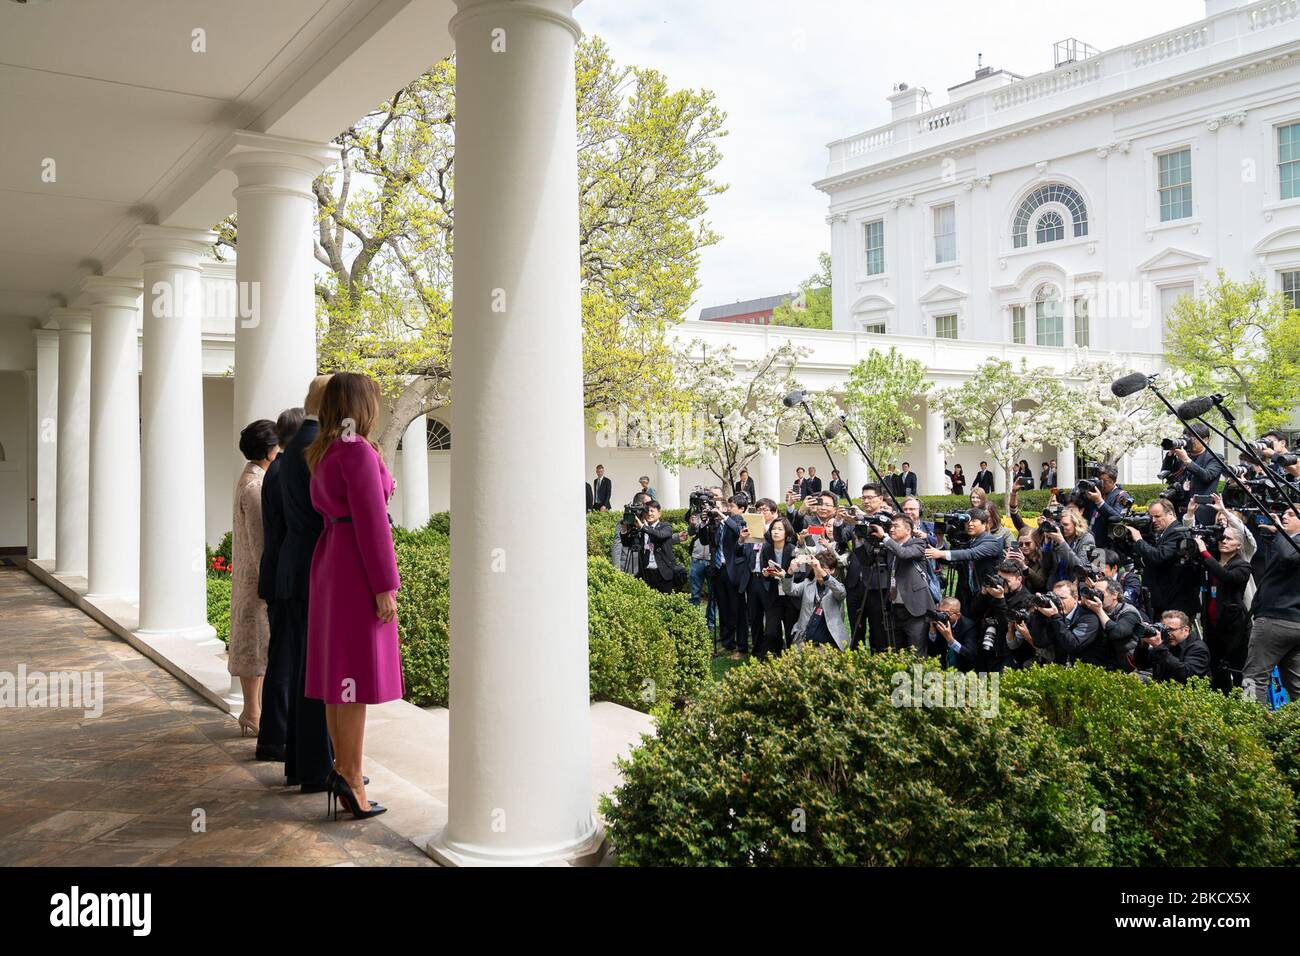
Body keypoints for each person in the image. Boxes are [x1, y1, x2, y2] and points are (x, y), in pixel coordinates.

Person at [305, 372, 402, 821]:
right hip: (355, 567)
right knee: (356, 680)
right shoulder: (357, 452)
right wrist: (385, 586)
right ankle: (353, 778)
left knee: (337, 679)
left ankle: (343, 768)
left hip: (330, 562)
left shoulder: (324, 450)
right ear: (360, 405)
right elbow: (373, 523)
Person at [275, 375, 335, 794]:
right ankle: (317, 768)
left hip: (292, 566)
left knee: (302, 670)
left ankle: (300, 763)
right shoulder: (318, 445)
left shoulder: (296, 442)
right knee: (318, 672)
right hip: (316, 566)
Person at [257, 406, 305, 763]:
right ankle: (277, 738)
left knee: (281, 658)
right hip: (286, 576)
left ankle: (276, 737)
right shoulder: (285, 470)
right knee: (285, 659)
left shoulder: (275, 469)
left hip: (277, 573)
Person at [229, 419, 280, 742]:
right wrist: (271, 581)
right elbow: (261, 539)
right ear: (269, 450)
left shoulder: (251, 477)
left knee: (257, 642)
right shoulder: (255, 486)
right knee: (256, 644)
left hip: (249, 573)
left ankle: (253, 710)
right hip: (256, 577)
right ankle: (252, 711)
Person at [1242, 506, 1300, 705]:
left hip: (1276, 620)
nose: (1284, 516)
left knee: (1252, 677)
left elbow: (1288, 557)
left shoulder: (1294, 542)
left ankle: (1248, 723)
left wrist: (1280, 531)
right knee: (1296, 684)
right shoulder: (1288, 541)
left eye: (1292, 514)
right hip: (1293, 623)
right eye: (1284, 513)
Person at [1193, 524, 1252, 693]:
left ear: (1239, 545)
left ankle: (1250, 704)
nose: (1223, 541)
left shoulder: (1242, 566)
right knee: (1216, 668)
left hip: (1234, 627)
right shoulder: (1211, 562)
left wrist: (1205, 553)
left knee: (1241, 669)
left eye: (1229, 539)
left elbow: (1226, 577)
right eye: (1222, 538)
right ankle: (1221, 703)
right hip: (1212, 625)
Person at [872, 514, 935, 657]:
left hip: (915, 609)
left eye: (896, 526)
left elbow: (904, 554)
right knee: (897, 652)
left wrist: (885, 538)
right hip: (895, 608)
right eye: (891, 526)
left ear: (908, 530)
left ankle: (918, 679)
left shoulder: (918, 544)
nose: (891, 530)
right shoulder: (890, 547)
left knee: (916, 653)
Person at [1125, 498, 1199, 619]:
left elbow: (1158, 556)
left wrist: (1138, 539)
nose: (1153, 521)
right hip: (1165, 600)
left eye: (1158, 516)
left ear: (1170, 514)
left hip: (1175, 604)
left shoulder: (1177, 532)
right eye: (1152, 517)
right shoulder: (1165, 532)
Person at [925, 507, 1005, 615]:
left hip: (987, 594)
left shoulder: (991, 542)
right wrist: (939, 539)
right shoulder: (970, 542)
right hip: (968, 595)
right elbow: (952, 560)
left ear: (985, 524)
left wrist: (941, 554)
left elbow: (971, 553)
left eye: (974, 521)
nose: (970, 524)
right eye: (967, 521)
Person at [777, 550, 849, 650]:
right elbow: (790, 590)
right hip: (804, 642)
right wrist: (790, 572)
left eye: (824, 568)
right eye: (816, 568)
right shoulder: (808, 584)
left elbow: (841, 593)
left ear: (832, 570)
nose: (818, 571)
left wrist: (822, 572)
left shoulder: (836, 587)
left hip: (828, 645)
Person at [1030, 579, 1105, 668]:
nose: (1058, 602)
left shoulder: (1089, 618)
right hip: (1060, 669)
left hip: (1087, 671)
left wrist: (1055, 618)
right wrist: (1038, 615)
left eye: (1062, 598)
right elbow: (1040, 642)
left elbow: (1073, 645)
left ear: (1075, 598)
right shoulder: (1054, 616)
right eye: (1055, 599)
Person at [1079, 578, 1145, 671]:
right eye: (1094, 592)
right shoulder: (1095, 608)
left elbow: (1117, 633)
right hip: (1104, 663)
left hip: (1129, 667)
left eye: (1100, 593)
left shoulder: (1129, 612)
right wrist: (1082, 605)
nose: (1096, 596)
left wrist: (1099, 611)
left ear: (1114, 595)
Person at [756, 516, 799, 658]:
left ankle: (792, 660)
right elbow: (764, 571)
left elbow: (800, 576)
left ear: (787, 533)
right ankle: (773, 657)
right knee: (771, 631)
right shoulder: (767, 549)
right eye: (774, 529)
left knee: (790, 631)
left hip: (790, 596)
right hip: (773, 595)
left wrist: (785, 575)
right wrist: (766, 574)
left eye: (780, 529)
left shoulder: (794, 550)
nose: (776, 532)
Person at [1166, 423, 1224, 524]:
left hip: (1200, 514)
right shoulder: (1182, 458)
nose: (1189, 441)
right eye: (1187, 438)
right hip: (1178, 511)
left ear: (1206, 439)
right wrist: (1170, 456)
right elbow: (1168, 476)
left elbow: (1207, 476)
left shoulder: (1215, 457)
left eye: (1193, 438)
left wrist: (1187, 460)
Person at [1135, 610, 1211, 683]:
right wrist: (1143, 644)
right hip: (1164, 689)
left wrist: (1159, 647)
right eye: (1164, 629)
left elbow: (1185, 675)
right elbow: (1141, 664)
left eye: (1171, 630)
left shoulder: (1198, 648)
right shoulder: (1166, 643)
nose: (1168, 634)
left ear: (1186, 630)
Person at [1045, 505, 1095, 585]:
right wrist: (1047, 543)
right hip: (1055, 585)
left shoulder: (1087, 539)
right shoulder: (1058, 537)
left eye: (1066, 524)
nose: (1062, 527)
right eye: (1060, 524)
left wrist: (1061, 542)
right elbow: (1046, 566)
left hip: (1073, 587)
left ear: (1076, 524)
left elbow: (1081, 566)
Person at [634, 500, 677, 594]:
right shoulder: (641, 528)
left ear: (659, 513)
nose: (649, 514)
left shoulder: (666, 526)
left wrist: (643, 527)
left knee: (665, 603)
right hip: (646, 572)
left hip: (663, 572)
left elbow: (659, 535)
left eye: (652, 511)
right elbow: (629, 543)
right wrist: (625, 528)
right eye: (647, 511)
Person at [1082, 463, 1129, 545]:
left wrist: (1099, 501)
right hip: (1089, 540)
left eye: (1104, 481)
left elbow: (1118, 517)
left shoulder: (1122, 495)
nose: (1101, 485)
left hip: (1107, 544)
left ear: (1113, 481)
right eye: (1100, 481)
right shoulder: (1096, 493)